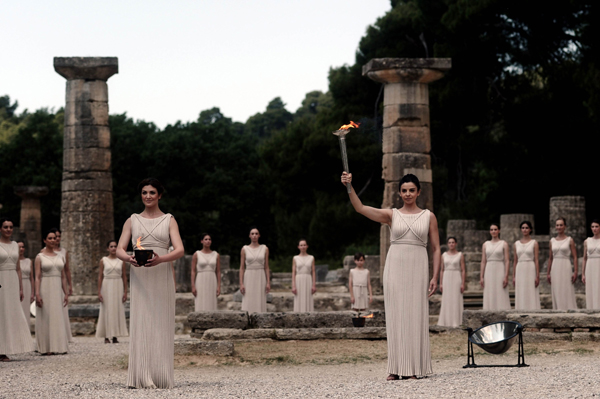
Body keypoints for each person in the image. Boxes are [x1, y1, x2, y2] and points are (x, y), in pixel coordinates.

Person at [341, 172, 440, 381]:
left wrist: (435, 276)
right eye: (404, 190)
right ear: (399, 192)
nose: (408, 194)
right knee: (396, 317)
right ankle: (395, 368)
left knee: (415, 316)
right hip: (395, 268)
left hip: (418, 268)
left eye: (412, 190)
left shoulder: (428, 216)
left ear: (419, 192)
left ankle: (413, 368)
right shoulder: (392, 215)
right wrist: (349, 186)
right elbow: (360, 208)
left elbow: (436, 248)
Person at [116, 178, 184, 389]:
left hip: (161, 274)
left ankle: (161, 375)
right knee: (142, 321)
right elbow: (119, 248)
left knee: (161, 322)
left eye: (152, 192)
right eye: (144, 192)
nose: (148, 196)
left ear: (160, 195)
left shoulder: (169, 220)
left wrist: (161, 259)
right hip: (141, 276)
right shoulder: (132, 220)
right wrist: (129, 258)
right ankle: (140, 375)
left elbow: (179, 249)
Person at [0, 218, 35, 361]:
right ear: (0, 229)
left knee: (11, 314)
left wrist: (20, 288)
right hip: (1, 280)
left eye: (11, 227)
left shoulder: (15, 245)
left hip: (12, 281)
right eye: (5, 227)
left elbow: (18, 269)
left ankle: (9, 347)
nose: (8, 229)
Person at [35, 229, 69, 355]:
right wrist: (37, 294)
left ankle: (59, 345)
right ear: (44, 240)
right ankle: (46, 347)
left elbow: (63, 276)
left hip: (57, 288)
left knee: (57, 315)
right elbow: (37, 277)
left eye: (54, 238)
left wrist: (65, 293)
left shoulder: (61, 256)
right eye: (50, 238)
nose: (53, 240)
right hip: (45, 287)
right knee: (46, 316)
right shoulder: (40, 257)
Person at [96, 240, 128, 344]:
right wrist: (99, 292)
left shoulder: (121, 261)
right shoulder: (103, 260)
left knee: (116, 309)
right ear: (108, 248)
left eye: (115, 246)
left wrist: (125, 292)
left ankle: (114, 335)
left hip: (118, 285)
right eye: (111, 246)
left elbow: (124, 276)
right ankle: (106, 335)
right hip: (107, 285)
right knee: (107, 309)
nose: (113, 248)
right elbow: (100, 276)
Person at [547, 217, 578, 310]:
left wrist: (575, 271)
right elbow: (550, 258)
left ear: (565, 226)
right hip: (555, 266)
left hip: (566, 266)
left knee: (566, 289)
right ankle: (558, 310)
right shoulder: (552, 241)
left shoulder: (570, 240)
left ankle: (569, 310)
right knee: (557, 289)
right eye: (557, 225)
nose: (559, 227)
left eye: (561, 225)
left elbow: (575, 257)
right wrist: (548, 273)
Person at [239, 227, 270, 313]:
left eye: (256, 233)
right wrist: (241, 283)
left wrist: (268, 282)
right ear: (249, 236)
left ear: (259, 235)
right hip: (249, 276)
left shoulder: (265, 248)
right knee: (249, 297)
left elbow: (266, 267)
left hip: (260, 276)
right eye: (252, 234)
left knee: (260, 297)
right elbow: (242, 267)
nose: (254, 235)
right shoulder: (244, 249)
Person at [480, 223, 511, 310]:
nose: (493, 231)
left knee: (500, 291)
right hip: (489, 269)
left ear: (499, 231)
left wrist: (506, 275)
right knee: (489, 291)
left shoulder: (504, 244)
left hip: (500, 268)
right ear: (490, 231)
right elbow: (483, 261)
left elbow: (507, 260)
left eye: (495, 229)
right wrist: (481, 276)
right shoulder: (485, 244)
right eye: (491, 230)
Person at [51, 228, 73, 343]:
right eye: (55, 236)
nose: (57, 239)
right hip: (49, 283)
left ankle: (63, 335)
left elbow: (67, 270)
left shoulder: (64, 252)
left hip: (61, 282)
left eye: (58, 236)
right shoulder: (43, 251)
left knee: (62, 308)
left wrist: (70, 286)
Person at [437, 237, 465, 328]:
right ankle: (446, 321)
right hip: (446, 277)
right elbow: (442, 270)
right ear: (447, 244)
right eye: (449, 242)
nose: (451, 244)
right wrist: (440, 283)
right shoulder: (444, 255)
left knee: (456, 298)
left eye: (453, 242)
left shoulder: (460, 255)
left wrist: (463, 283)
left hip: (456, 277)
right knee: (447, 299)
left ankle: (457, 321)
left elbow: (463, 270)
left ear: (456, 244)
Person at [512, 221, 540, 310]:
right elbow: (515, 261)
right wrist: (513, 276)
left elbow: (536, 260)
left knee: (530, 290)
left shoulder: (534, 243)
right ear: (521, 230)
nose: (524, 230)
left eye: (527, 228)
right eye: (523, 228)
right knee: (521, 290)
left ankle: (532, 310)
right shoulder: (516, 244)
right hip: (520, 268)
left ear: (530, 229)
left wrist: (537, 275)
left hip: (530, 267)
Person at [191, 233, 221, 311]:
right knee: (200, 300)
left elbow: (218, 271)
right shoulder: (197, 254)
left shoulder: (216, 255)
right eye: (206, 239)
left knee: (211, 301)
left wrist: (219, 286)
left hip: (212, 280)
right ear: (202, 241)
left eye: (209, 239)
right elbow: (193, 271)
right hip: (200, 280)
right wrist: (193, 286)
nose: (208, 241)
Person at [292, 239, 316, 312]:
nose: (303, 247)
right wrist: (293, 286)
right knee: (299, 298)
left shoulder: (311, 258)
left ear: (307, 246)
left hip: (308, 279)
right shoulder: (295, 258)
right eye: (301, 245)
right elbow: (293, 272)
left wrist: (314, 285)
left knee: (308, 298)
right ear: (298, 247)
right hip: (298, 279)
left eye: (304, 245)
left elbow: (313, 272)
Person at [583, 219, 600, 309]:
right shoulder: (587, 241)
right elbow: (584, 258)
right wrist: (583, 274)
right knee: (591, 288)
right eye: (593, 227)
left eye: (596, 226)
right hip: (590, 266)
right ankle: (591, 309)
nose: (594, 229)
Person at [18, 241, 35, 324]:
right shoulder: (14, 262)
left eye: (23, 247)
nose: (21, 249)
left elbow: (32, 278)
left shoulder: (29, 261)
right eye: (19, 247)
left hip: (27, 286)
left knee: (26, 310)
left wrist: (33, 293)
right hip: (17, 286)